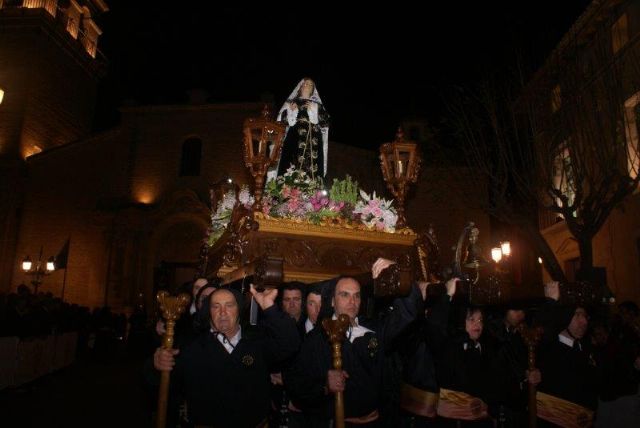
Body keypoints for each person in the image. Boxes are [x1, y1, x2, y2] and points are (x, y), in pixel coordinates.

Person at [285, 259, 428, 427]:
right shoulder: (315, 339)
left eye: (357, 296)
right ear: (331, 301)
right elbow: (297, 386)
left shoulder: (376, 329)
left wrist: (399, 275)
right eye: (344, 295)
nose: (352, 302)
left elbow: (408, 313)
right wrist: (324, 386)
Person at [148, 285, 300, 427]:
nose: (222, 312)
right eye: (216, 306)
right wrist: (156, 365)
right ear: (209, 312)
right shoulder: (192, 348)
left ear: (239, 310)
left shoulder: (258, 342)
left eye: (229, 305)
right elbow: (161, 386)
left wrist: (269, 308)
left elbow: (291, 343)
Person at [269, 78, 330, 182]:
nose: (307, 86)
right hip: (295, 138)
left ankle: (313, 193)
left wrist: (314, 109)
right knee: (292, 164)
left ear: (313, 90)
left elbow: (325, 122)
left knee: (313, 169)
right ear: (300, 87)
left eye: (310, 84)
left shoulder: (317, 105)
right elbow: (281, 123)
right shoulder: (291, 103)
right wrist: (290, 111)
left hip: (313, 141)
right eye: (305, 84)